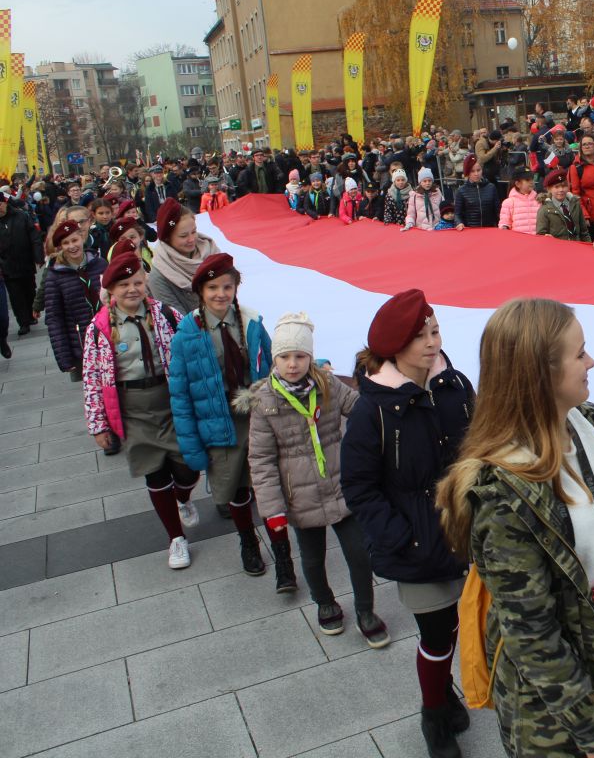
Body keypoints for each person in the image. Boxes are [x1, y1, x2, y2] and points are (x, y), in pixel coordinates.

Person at [437, 298, 594, 758]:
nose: (592, 362)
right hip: (556, 689)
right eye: (580, 353)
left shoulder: (591, 422)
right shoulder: (501, 493)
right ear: (540, 373)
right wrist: (593, 731)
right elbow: (531, 632)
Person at [340, 290, 474, 757]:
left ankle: (447, 692)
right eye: (420, 337)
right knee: (436, 636)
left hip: (469, 532)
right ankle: (433, 714)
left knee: (466, 624)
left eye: (435, 331)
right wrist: (401, 536)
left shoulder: (456, 386)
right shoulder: (372, 410)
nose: (431, 343)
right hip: (419, 541)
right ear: (395, 347)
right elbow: (359, 487)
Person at [241, 312, 389, 641]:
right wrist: (272, 509)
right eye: (284, 356)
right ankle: (325, 603)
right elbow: (261, 459)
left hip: (341, 485)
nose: (292, 364)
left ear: (310, 356)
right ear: (274, 358)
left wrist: (382, 397)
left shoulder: (328, 385)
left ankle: (366, 609)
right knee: (312, 557)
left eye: (299, 356)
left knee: (359, 554)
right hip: (299, 495)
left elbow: (361, 407)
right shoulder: (265, 402)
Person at [83, 251, 198, 568]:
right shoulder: (100, 327)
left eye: (137, 282)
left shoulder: (165, 314)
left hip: (171, 400)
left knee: (189, 466)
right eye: (124, 285)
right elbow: (92, 377)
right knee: (156, 472)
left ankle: (184, 497)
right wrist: (98, 425)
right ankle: (176, 539)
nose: (132, 289)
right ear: (111, 290)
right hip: (132, 407)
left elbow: (190, 346)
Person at [168, 253, 275, 577]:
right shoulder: (188, 331)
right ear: (200, 290)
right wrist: (191, 446)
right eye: (213, 287)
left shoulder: (252, 321)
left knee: (267, 487)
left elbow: (273, 367)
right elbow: (181, 393)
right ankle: (248, 542)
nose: (220, 294)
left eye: (227, 287)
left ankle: (280, 549)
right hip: (218, 422)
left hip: (255, 417)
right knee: (236, 489)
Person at [43, 218, 106, 383]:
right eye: (66, 243)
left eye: (75, 240)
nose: (72, 246)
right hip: (81, 343)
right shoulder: (55, 275)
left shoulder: (99, 264)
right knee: (94, 391)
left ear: (82, 238)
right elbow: (54, 317)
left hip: (109, 336)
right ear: (60, 247)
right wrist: (64, 357)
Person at [147, 199, 220, 316]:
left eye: (194, 231)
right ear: (167, 238)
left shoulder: (212, 253)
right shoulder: (159, 277)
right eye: (183, 236)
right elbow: (178, 321)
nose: (192, 239)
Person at [0, 193, 44, 336]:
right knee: (15, 295)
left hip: (25, 262)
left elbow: (34, 236)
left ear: (5, 203)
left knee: (29, 290)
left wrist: (38, 256)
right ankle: (23, 322)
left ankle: (31, 315)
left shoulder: (21, 216)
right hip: (7, 266)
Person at [568, 135, 594, 235]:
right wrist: (584, 215)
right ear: (581, 148)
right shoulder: (576, 167)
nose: (587, 146)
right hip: (591, 217)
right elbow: (575, 194)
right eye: (584, 144)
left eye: (590, 143)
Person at [536, 169, 587, 241]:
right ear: (549, 189)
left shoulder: (575, 204)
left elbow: (584, 232)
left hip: (577, 247)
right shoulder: (544, 210)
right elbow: (540, 235)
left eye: (564, 186)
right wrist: (546, 238)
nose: (561, 190)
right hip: (557, 249)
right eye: (556, 187)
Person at [454, 157, 500, 228]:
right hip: (470, 231)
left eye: (478, 170)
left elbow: (498, 211)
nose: (476, 174)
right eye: (472, 171)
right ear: (467, 172)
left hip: (490, 229)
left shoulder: (491, 187)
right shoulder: (461, 190)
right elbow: (457, 214)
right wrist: (459, 223)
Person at [499, 169, 540, 234]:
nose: (532, 182)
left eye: (532, 179)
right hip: (518, 241)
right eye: (527, 180)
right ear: (518, 184)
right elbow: (504, 223)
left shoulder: (538, 200)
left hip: (537, 240)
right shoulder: (509, 202)